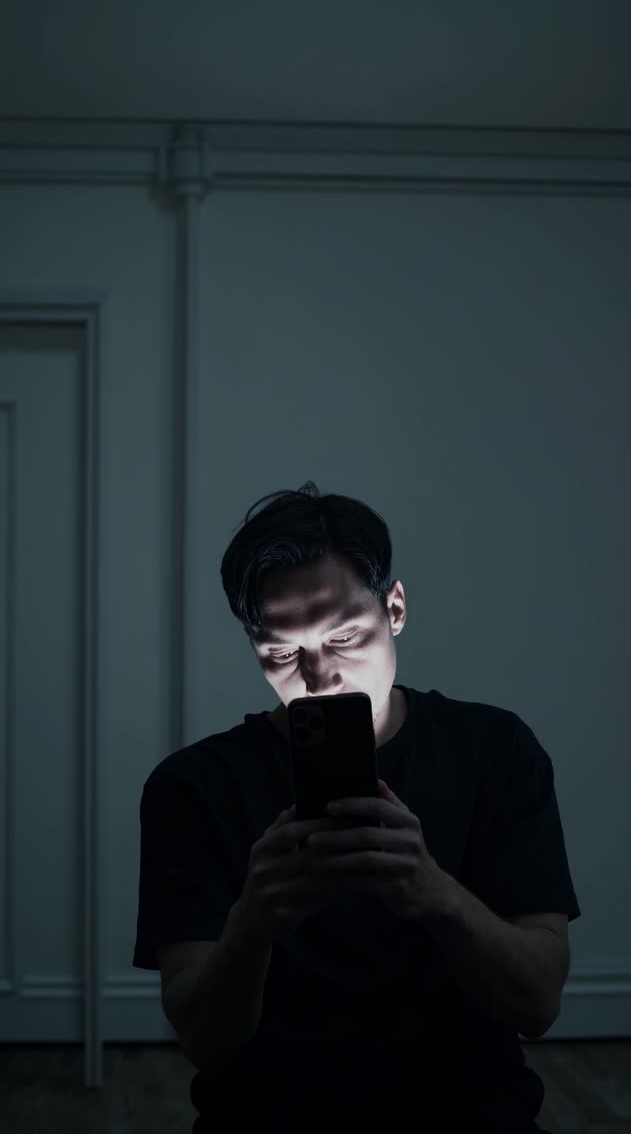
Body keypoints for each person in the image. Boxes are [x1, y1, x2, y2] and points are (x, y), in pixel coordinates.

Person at [133, 481, 580, 1133]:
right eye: (283, 653)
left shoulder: (494, 752)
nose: (317, 679)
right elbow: (205, 1042)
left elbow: (538, 1006)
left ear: (394, 607)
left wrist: (437, 895)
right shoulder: (193, 786)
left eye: (343, 636)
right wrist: (253, 925)